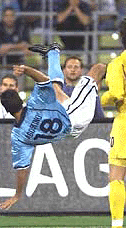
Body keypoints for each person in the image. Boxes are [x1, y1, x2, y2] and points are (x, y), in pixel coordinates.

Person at [0, 43, 103, 210]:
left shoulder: (18, 136)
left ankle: (53, 52)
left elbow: (22, 169)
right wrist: (26, 69)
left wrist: (17, 194)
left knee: (55, 89)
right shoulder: (34, 103)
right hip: (75, 116)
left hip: (66, 130)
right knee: (98, 68)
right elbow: (43, 80)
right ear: (19, 98)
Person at [101, 18, 126, 228]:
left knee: (117, 175)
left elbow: (117, 93)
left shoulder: (117, 63)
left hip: (124, 123)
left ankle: (117, 225)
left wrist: (100, 99)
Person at [62, 56, 105, 120]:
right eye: (69, 67)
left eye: (76, 67)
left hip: (92, 126)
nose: (73, 70)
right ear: (64, 70)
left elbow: (100, 67)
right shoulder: (58, 88)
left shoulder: (89, 86)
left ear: (81, 70)